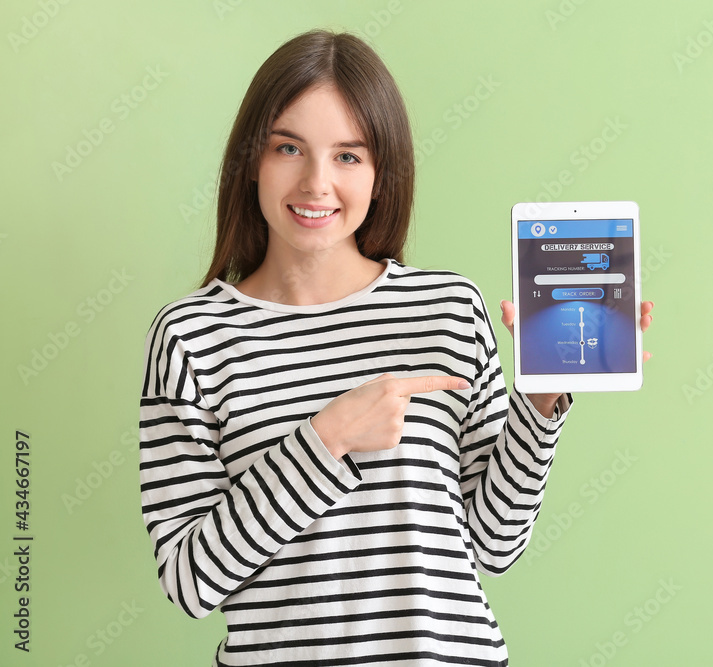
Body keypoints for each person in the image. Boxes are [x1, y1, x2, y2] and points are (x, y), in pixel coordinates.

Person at [138, 29, 654, 666]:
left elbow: (494, 544)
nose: (316, 183)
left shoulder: (447, 310)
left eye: (349, 156)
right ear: (252, 160)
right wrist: (324, 441)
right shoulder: (191, 336)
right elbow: (189, 582)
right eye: (289, 148)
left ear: (382, 175)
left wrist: (539, 402)